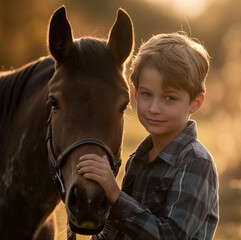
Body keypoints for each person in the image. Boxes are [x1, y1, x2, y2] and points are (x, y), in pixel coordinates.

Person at [77, 32, 219, 239]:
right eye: (146, 94)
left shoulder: (196, 162)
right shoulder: (140, 157)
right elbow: (120, 229)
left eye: (169, 98)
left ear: (195, 103)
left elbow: (172, 235)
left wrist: (116, 196)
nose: (154, 108)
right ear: (135, 94)